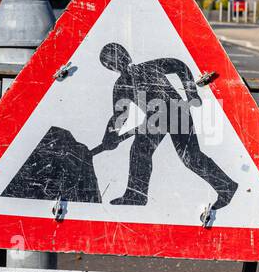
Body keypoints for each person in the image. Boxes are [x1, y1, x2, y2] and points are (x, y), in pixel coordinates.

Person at [95, 42, 237, 209]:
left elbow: (180, 66)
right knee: (141, 150)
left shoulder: (150, 67)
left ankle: (226, 186)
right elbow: (118, 117)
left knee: (190, 158)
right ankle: (136, 195)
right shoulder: (121, 86)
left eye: (117, 58)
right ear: (110, 66)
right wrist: (110, 137)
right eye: (112, 61)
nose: (117, 63)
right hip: (156, 119)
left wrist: (191, 91)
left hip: (176, 110)